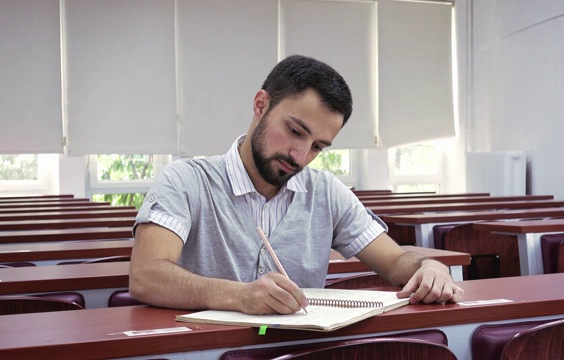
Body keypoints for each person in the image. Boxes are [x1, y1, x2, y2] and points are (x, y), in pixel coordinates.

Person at [130, 55, 464, 315]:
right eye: (294, 131)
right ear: (261, 105)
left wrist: (428, 266)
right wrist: (240, 296)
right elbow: (146, 276)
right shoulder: (186, 181)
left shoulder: (327, 193)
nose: (301, 156)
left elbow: (395, 263)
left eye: (318, 146)